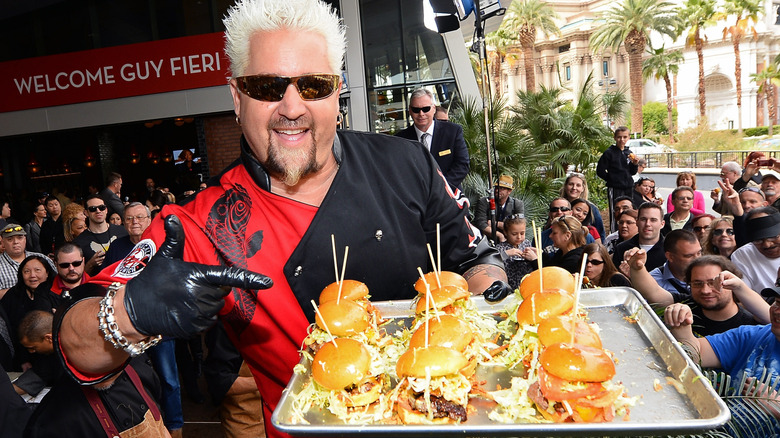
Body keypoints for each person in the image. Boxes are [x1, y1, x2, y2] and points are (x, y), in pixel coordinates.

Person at [54, 3, 509, 438]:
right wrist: (129, 313)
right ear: (237, 98)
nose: (292, 108)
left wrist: (492, 303)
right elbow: (74, 343)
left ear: (337, 92)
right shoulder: (200, 223)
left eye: (313, 85)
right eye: (267, 87)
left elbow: (475, 259)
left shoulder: (407, 163)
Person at [627, 251, 769, 337]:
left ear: (731, 282)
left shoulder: (751, 324)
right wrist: (637, 267)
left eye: (713, 283)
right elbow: (653, 292)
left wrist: (741, 287)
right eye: (697, 283)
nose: (705, 290)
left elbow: (769, 317)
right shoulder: (687, 304)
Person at [396, 88, 470, 192]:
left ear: (434, 108)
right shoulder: (400, 139)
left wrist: (441, 188)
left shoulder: (452, 132)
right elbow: (399, 171)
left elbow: (462, 165)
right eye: (416, 110)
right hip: (417, 197)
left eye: (426, 109)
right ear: (410, 111)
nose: (421, 114)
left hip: (449, 195)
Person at [0, 255, 59, 371]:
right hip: (24, 354)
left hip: (52, 354)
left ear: (47, 273)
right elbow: (11, 331)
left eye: (37, 270)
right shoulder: (13, 295)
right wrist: (23, 359)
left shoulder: (56, 293)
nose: (32, 275)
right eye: (27, 271)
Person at [73, 195, 128, 276]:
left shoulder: (123, 231)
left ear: (106, 210)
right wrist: (90, 264)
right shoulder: (79, 242)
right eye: (93, 209)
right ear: (86, 213)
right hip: (97, 283)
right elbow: (78, 276)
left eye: (101, 207)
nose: (98, 211)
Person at [13, 310, 62, 398]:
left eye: (33, 348)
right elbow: (40, 373)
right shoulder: (50, 354)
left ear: (49, 338)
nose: (31, 351)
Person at [731, 207, 780, 292]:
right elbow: (744, 293)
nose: (767, 245)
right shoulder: (743, 255)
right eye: (758, 240)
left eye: (772, 237)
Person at [0, 224, 56, 298]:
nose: (15, 242)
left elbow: (58, 281)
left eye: (20, 238)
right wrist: (25, 291)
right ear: (3, 242)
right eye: (10, 239)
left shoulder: (42, 258)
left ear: (25, 239)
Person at [596, 126, 639, 219]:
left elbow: (632, 172)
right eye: (619, 137)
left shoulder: (629, 152)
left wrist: (635, 164)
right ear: (615, 137)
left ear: (629, 137)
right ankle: (615, 228)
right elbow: (600, 170)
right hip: (615, 187)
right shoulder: (609, 153)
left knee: (629, 211)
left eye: (625, 137)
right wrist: (612, 179)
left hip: (628, 187)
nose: (622, 139)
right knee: (615, 211)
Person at [613, 202, 667, 273]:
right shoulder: (621, 249)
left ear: (662, 224)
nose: (647, 224)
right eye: (643, 219)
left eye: (653, 220)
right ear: (637, 222)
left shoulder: (670, 249)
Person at [648, 230, 702, 296]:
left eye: (699, 253)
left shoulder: (710, 274)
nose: (697, 259)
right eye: (689, 256)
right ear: (670, 257)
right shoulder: (652, 282)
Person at [473, 174, 524, 242]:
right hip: (484, 241)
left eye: (502, 188)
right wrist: (499, 235)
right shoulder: (484, 202)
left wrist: (494, 223)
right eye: (496, 187)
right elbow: (481, 225)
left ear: (509, 191)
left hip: (509, 241)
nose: (497, 190)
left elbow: (519, 226)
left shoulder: (517, 204)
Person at [495, 214, 537, 290]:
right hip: (509, 286)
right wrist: (506, 254)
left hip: (527, 285)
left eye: (522, 233)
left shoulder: (526, 244)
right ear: (505, 232)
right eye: (514, 234)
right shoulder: (500, 248)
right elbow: (493, 261)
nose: (519, 237)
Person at [559, 172, 606, 238]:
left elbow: (601, 233)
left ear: (582, 188)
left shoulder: (592, 208)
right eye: (571, 184)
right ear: (565, 186)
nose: (574, 188)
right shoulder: (558, 206)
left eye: (578, 185)